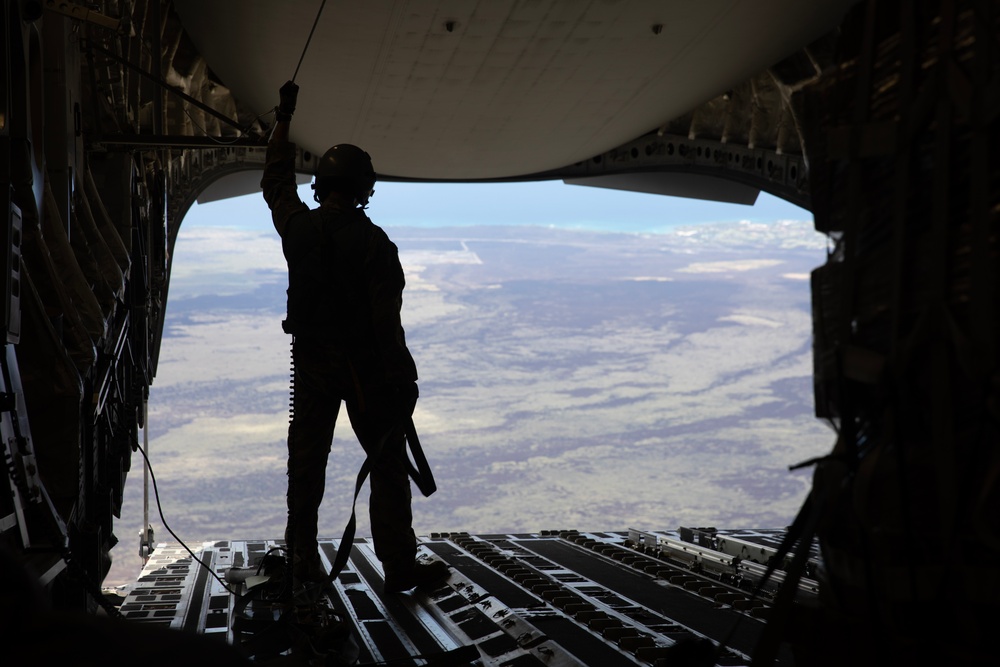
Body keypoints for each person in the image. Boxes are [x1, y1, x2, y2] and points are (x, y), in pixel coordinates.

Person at [260, 81, 447, 596]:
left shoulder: (298, 229)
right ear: (364, 189)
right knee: (387, 466)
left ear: (321, 185)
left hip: (313, 365)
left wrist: (285, 118)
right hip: (366, 373)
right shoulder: (376, 246)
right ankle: (400, 567)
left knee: (306, 470)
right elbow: (388, 326)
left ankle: (302, 565)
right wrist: (403, 381)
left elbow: (275, 182)